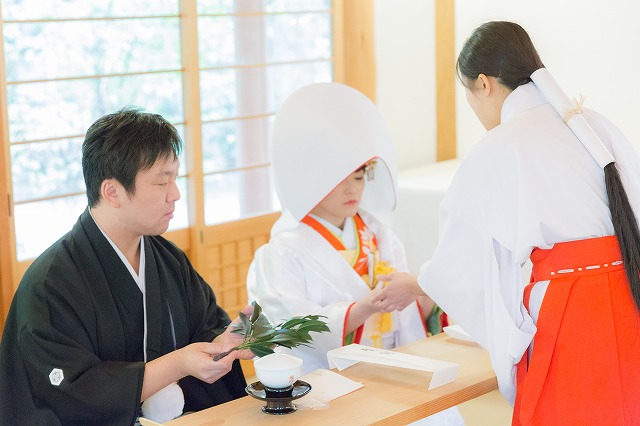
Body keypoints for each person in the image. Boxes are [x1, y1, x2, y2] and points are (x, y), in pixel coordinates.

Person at [371, 21, 640, 425]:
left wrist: (418, 283)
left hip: (570, 315)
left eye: (469, 96)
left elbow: (461, 266)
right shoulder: (595, 125)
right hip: (630, 297)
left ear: (483, 84)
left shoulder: (502, 146)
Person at [0, 107, 255, 425]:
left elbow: (204, 325)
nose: (175, 194)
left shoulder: (167, 259)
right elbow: (66, 390)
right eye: (162, 183)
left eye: (175, 178)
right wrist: (177, 364)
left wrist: (221, 345)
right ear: (112, 191)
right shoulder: (50, 284)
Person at [247, 83, 463, 425]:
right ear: (311, 180)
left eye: (360, 177)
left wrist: (421, 299)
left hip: (395, 365)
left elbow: (409, 309)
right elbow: (288, 326)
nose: (353, 190)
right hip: (329, 382)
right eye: (339, 180)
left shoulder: (378, 232)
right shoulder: (283, 250)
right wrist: (361, 309)